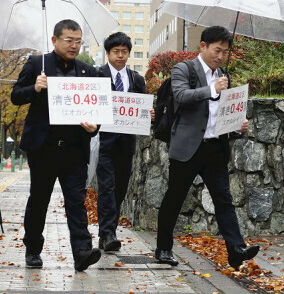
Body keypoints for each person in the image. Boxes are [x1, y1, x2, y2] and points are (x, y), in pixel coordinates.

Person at [155, 26, 259, 269]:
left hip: (214, 148)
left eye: (225, 52)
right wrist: (213, 89)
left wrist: (236, 125)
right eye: (217, 50)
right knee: (174, 199)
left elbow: (220, 114)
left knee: (224, 199)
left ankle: (236, 250)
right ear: (203, 46)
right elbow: (180, 95)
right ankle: (163, 248)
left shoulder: (223, 75)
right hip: (187, 148)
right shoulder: (184, 69)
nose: (221, 56)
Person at [11, 19, 101, 271]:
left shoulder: (88, 71)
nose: (74, 46)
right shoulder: (37, 64)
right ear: (54, 40)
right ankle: (32, 248)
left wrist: (95, 128)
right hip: (43, 147)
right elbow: (15, 95)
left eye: (78, 41)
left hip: (74, 149)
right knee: (39, 199)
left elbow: (97, 110)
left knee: (76, 201)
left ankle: (82, 251)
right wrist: (34, 88)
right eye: (69, 40)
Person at [96, 32, 153, 252]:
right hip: (103, 142)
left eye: (124, 52)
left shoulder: (137, 79)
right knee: (107, 188)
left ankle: (106, 232)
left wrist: (148, 114)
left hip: (126, 144)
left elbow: (142, 110)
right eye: (116, 52)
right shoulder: (97, 75)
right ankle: (108, 234)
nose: (120, 56)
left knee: (120, 189)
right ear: (108, 53)